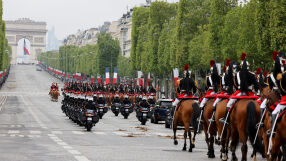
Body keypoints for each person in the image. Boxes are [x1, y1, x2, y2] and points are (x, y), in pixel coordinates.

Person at [221, 52, 259, 124]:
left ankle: (226, 119)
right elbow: (256, 85)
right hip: (250, 93)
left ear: (241, 66)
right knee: (259, 105)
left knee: (229, 104)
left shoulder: (237, 74)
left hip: (239, 92)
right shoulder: (252, 74)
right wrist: (256, 91)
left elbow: (235, 84)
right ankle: (260, 121)